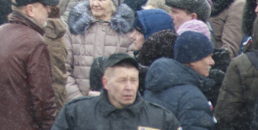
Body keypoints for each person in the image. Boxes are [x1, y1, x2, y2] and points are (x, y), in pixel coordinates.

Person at [0, 0, 61, 130]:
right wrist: (49, 125)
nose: (49, 10)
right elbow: (42, 97)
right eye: (45, 6)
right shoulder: (34, 42)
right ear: (30, 9)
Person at [52, 52, 180, 130]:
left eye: (133, 80)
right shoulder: (76, 113)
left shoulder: (160, 118)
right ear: (105, 83)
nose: (129, 87)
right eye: (122, 81)